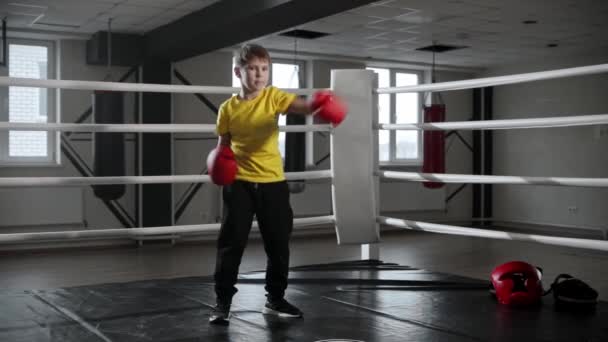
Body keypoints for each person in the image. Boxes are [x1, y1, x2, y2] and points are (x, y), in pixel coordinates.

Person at [207, 43, 346, 325]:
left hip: (273, 184)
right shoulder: (227, 109)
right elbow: (223, 145)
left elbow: (302, 107)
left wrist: (319, 104)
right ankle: (222, 303)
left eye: (264, 69)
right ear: (238, 71)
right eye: (252, 69)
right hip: (240, 184)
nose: (259, 75)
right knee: (231, 245)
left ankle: (275, 299)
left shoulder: (273, 97)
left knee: (278, 244)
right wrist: (217, 161)